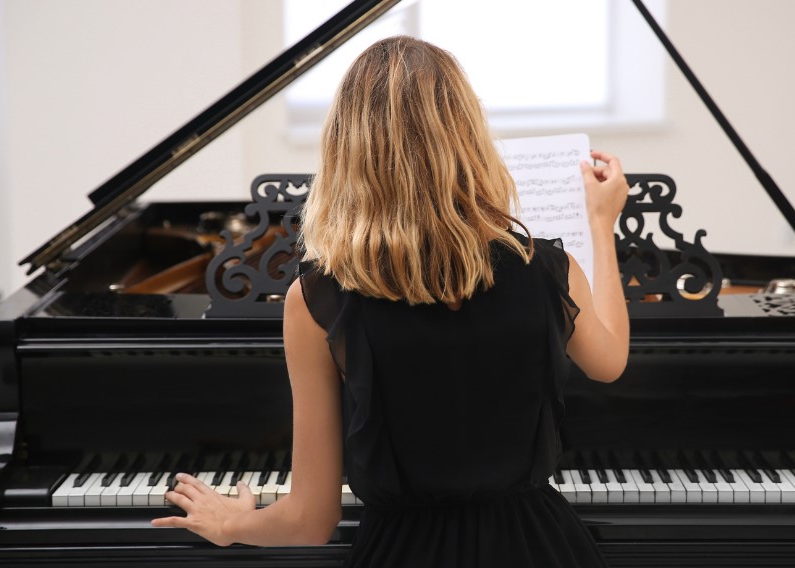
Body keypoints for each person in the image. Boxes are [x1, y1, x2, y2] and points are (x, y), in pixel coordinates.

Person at [152, 35, 630, 567]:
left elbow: (311, 521)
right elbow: (610, 365)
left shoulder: (316, 300)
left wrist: (232, 523)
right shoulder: (547, 269)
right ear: (469, 137)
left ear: (347, 150)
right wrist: (601, 226)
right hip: (541, 546)